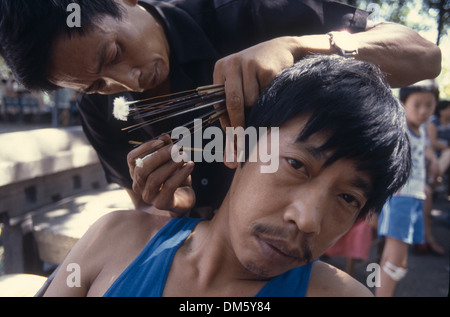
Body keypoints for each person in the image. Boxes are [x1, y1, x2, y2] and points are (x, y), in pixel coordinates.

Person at [0, 0, 441, 217]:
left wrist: (299, 48)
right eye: (97, 84)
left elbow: (424, 55)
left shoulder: (248, 12)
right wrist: (171, 202)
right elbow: (146, 208)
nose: (127, 82)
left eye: (113, 52)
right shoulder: (99, 111)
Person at [42, 55, 411, 297]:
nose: (308, 219)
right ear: (238, 146)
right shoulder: (114, 240)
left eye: (348, 198)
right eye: (297, 164)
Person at [376, 80, 439, 297]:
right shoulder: (400, 129)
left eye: (429, 105)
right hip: (401, 197)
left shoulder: (420, 131)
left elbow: (425, 153)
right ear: (403, 103)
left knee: (397, 259)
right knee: (394, 260)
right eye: (417, 104)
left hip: (414, 197)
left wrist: (433, 159)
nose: (423, 111)